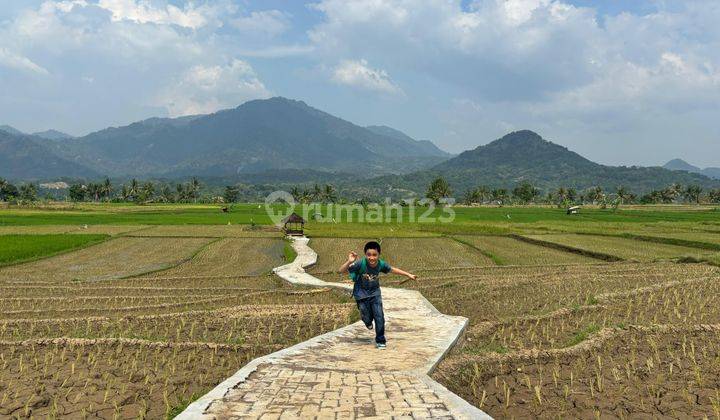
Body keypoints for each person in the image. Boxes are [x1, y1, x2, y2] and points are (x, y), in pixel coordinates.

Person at [338, 241, 417, 349]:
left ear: (378, 255)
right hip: (361, 295)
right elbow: (341, 271)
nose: (372, 258)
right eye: (369, 255)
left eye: (374, 255)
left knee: (380, 317)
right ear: (365, 255)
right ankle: (367, 321)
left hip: (375, 294)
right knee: (366, 316)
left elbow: (392, 269)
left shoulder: (381, 264)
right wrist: (349, 261)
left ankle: (380, 340)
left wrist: (408, 274)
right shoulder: (360, 263)